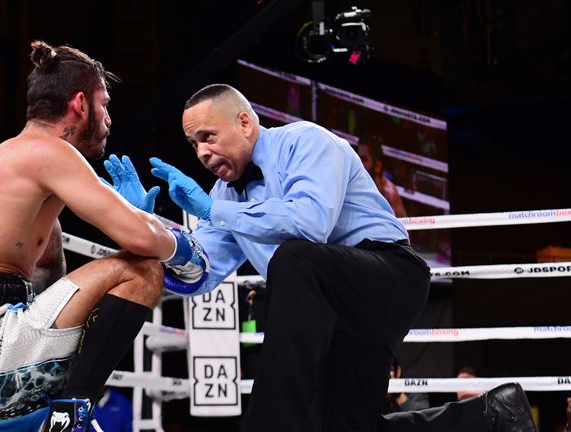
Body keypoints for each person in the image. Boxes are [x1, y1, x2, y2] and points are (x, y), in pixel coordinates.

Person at [110, 83, 537, 431]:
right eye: (192, 143)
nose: (201, 152)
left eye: (208, 137)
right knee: (350, 426)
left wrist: (213, 211)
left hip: (387, 277)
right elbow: (200, 273)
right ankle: (491, 416)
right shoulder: (225, 196)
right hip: (328, 309)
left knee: (294, 259)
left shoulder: (305, 141)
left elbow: (311, 223)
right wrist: (150, 230)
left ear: (244, 122)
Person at [0, 40, 208, 432]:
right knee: (142, 271)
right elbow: (143, 242)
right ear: (80, 104)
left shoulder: (26, 185)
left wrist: (141, 222)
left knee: (97, 320)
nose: (109, 118)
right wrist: (186, 249)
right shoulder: (48, 151)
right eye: (104, 104)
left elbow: (56, 294)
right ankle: (70, 417)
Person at [357, 138, 408, 217]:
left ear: (377, 166)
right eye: (357, 159)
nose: (359, 164)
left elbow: (403, 225)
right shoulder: (355, 184)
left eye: (364, 160)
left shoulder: (389, 192)